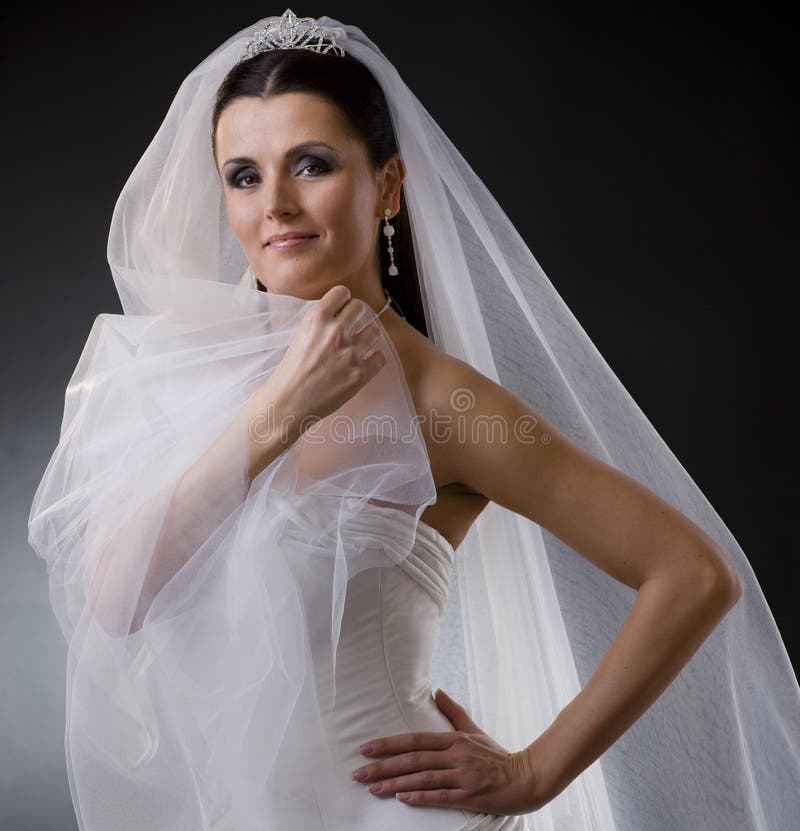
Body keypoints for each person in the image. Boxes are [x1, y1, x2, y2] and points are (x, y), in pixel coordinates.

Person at [27, 9, 800, 831]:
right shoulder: (183, 376)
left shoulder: (443, 402)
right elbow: (115, 600)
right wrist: (278, 413)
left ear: (387, 185)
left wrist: (533, 771)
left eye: (312, 164)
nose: (276, 205)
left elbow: (693, 572)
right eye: (244, 175)